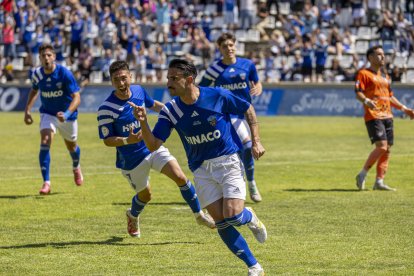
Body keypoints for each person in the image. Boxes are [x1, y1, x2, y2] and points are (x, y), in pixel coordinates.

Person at [130, 59, 267, 275]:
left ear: (190, 79)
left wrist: (256, 140)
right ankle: (254, 266)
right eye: (168, 78)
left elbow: (247, 107)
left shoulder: (217, 95)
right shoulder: (170, 111)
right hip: (201, 170)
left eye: (174, 78)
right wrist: (143, 121)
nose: (169, 83)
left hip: (228, 161)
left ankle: (249, 216)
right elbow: (154, 144)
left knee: (233, 216)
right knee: (220, 222)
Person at [97, 60, 215, 238]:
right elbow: (107, 140)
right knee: (146, 195)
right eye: (116, 80)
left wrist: (174, 111)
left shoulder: (138, 90)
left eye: (123, 78)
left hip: (152, 146)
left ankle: (199, 215)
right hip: (131, 160)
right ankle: (133, 214)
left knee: (180, 177)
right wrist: (127, 139)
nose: (121, 83)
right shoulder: (106, 109)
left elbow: (154, 105)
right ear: (111, 82)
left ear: (130, 76)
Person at [199, 32, 263, 203]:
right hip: (227, 115)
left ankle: (250, 182)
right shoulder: (214, 70)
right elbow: (200, 90)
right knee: (246, 146)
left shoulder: (247, 65)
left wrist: (258, 87)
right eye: (224, 46)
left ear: (235, 45)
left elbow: (256, 81)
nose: (229, 48)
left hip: (245, 113)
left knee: (246, 149)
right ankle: (244, 184)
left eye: (231, 45)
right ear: (219, 49)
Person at [24, 43, 84, 195]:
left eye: (49, 55)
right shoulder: (37, 74)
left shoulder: (64, 73)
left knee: (72, 147)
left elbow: (77, 97)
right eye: (43, 56)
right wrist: (28, 110)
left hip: (67, 116)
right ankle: (46, 183)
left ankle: (76, 167)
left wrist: (67, 114)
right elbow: (34, 90)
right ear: (39, 58)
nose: (46, 58)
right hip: (48, 114)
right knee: (45, 141)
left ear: (54, 57)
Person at [355, 45, 414, 191]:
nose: (383, 57)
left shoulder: (385, 77)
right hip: (374, 115)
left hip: (388, 115)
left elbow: (390, 97)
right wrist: (366, 101)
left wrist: (404, 109)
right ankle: (362, 174)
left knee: (387, 149)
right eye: (379, 54)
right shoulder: (363, 73)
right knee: (381, 146)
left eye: (383, 54)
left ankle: (379, 181)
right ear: (370, 58)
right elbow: (358, 91)